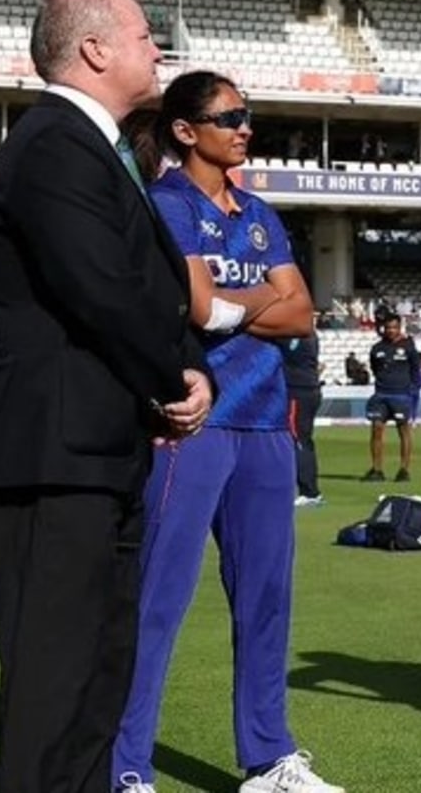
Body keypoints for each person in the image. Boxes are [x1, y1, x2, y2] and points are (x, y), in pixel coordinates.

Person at [0, 0, 214, 793]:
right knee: (55, 685)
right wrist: (173, 380)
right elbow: (100, 287)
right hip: (50, 454)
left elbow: (139, 286)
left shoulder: (95, 148)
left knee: (98, 682)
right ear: (96, 49)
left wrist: (170, 382)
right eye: (144, 35)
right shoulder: (54, 144)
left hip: (96, 448)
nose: (157, 50)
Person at [111, 70, 341, 793]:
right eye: (230, 116)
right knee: (157, 601)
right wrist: (251, 302)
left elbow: (301, 315)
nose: (245, 127)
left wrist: (226, 307)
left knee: (267, 599)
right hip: (195, 426)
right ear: (186, 130)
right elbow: (193, 307)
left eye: (248, 115)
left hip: (268, 424)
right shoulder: (167, 205)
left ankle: (269, 758)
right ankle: (124, 767)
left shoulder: (260, 213)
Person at [362, 314, 421, 483]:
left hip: (401, 395)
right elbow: (375, 368)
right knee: (376, 430)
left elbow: (415, 370)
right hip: (381, 395)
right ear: (384, 328)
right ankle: (377, 469)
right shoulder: (377, 348)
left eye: (394, 327)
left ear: (399, 327)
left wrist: (413, 390)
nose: (391, 330)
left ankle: (404, 470)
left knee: (403, 431)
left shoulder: (409, 347)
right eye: (388, 327)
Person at [285, 332, 325, 506]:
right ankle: (308, 489)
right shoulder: (310, 334)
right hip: (306, 389)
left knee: (298, 439)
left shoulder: (296, 336)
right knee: (301, 439)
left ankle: (309, 492)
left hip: (298, 390)